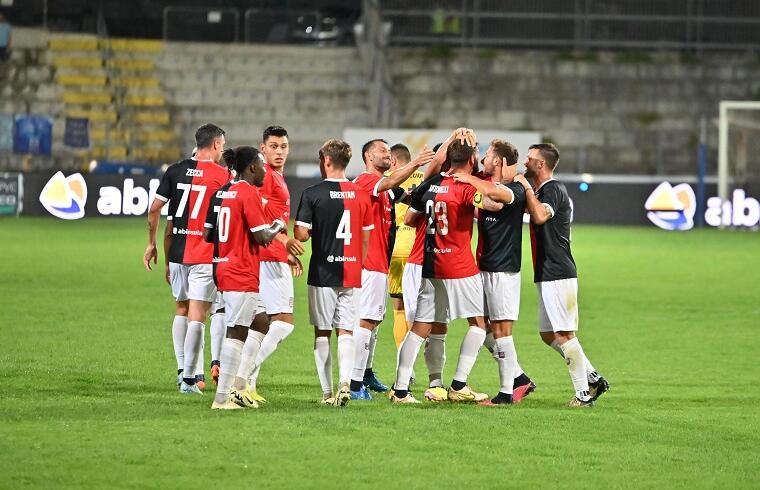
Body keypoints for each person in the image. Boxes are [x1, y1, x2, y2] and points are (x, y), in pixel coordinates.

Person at [393, 138, 496, 404]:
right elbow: (493, 204)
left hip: (430, 264)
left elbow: (410, 218)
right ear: (471, 161)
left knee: (419, 328)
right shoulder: (464, 188)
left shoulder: (430, 186)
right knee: (478, 324)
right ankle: (459, 385)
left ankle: (401, 390)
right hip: (460, 267)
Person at [514, 143, 609, 407]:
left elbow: (541, 216)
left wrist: (525, 187)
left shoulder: (554, 189)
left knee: (565, 334)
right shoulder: (543, 191)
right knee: (548, 334)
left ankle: (583, 395)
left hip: (558, 271)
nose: (525, 163)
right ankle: (592, 377)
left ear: (541, 164)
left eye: (530, 159)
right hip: (547, 271)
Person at [143, 124, 231, 395]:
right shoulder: (222, 174)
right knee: (198, 316)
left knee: (181, 309)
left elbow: (154, 209)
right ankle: (190, 380)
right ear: (215, 145)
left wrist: (151, 245)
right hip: (204, 253)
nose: (222, 151)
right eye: (222, 146)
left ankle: (182, 369)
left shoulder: (175, 170)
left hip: (178, 253)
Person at [202, 146, 288, 409]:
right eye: (261, 165)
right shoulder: (248, 192)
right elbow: (262, 236)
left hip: (222, 267)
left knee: (261, 321)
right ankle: (222, 397)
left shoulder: (222, 192)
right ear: (251, 167)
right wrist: (279, 225)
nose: (265, 170)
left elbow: (207, 235)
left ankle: (239, 385)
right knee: (237, 330)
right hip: (240, 270)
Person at [349, 139, 435, 400]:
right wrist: (416, 163)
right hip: (368, 264)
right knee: (366, 320)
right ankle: (354, 385)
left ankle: (364, 374)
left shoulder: (386, 191)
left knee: (374, 320)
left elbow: (411, 194)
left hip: (380, 264)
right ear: (368, 156)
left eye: (389, 151)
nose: (387, 154)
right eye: (382, 151)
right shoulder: (365, 181)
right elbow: (387, 183)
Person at [453, 139, 536, 404]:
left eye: (488, 155)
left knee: (501, 330)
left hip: (503, 271)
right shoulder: (488, 185)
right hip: (483, 267)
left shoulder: (516, 189)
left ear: (498, 161)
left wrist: (466, 177)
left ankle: (505, 393)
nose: (484, 159)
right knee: (481, 325)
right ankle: (519, 379)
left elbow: (498, 194)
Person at [292, 139, 373, 407]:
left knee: (323, 332)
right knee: (346, 331)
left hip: (323, 272)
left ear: (326, 161)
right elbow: (364, 238)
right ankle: (345, 385)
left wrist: (315, 229)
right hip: (352, 271)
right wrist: (357, 263)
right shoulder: (361, 194)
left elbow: (301, 235)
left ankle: (327, 393)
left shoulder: (313, 193)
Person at [244, 126, 305, 402]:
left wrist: (287, 251)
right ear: (263, 147)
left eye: (283, 146)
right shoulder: (265, 176)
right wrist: (285, 242)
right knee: (283, 323)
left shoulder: (275, 177)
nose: (279, 151)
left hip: (272, 256)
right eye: (274, 146)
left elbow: (272, 218)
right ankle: (244, 375)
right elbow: (259, 218)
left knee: (265, 322)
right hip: (267, 257)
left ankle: (248, 382)